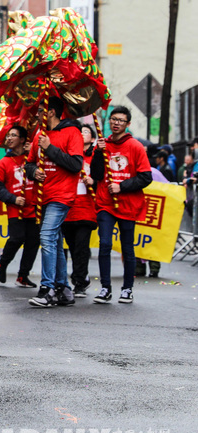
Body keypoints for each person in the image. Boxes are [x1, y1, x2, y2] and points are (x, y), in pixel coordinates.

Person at [25, 96, 83, 308]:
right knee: (55, 242)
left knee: (47, 237)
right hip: (43, 196)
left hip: (61, 195)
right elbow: (28, 164)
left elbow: (76, 164)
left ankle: (47, 288)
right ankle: (63, 288)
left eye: (41, 110)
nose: (37, 114)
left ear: (51, 112)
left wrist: (50, 148)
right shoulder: (39, 134)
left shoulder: (72, 132)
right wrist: (34, 172)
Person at [91, 105, 152, 303]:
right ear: (109, 121)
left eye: (120, 120)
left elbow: (145, 177)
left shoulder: (134, 146)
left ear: (128, 124)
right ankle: (105, 287)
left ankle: (127, 288)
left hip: (128, 204)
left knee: (127, 248)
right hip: (105, 204)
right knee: (105, 244)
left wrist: (122, 186)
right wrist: (99, 153)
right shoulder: (102, 144)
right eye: (113, 119)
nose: (116, 123)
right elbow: (96, 175)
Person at [0, 125, 40, 288]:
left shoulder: (33, 158)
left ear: (22, 139)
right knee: (17, 238)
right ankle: (2, 263)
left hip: (34, 208)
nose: (9, 139)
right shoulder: (4, 162)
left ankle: (23, 275)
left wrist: (33, 150)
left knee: (33, 242)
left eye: (13, 135)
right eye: (8, 136)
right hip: (15, 209)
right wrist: (13, 199)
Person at [62, 125, 98, 298]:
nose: (81, 134)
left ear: (92, 138)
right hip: (68, 207)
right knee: (72, 245)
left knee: (81, 246)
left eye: (86, 132)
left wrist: (94, 181)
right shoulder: (69, 154)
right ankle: (79, 276)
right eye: (79, 131)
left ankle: (80, 282)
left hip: (86, 208)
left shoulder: (97, 155)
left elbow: (104, 177)